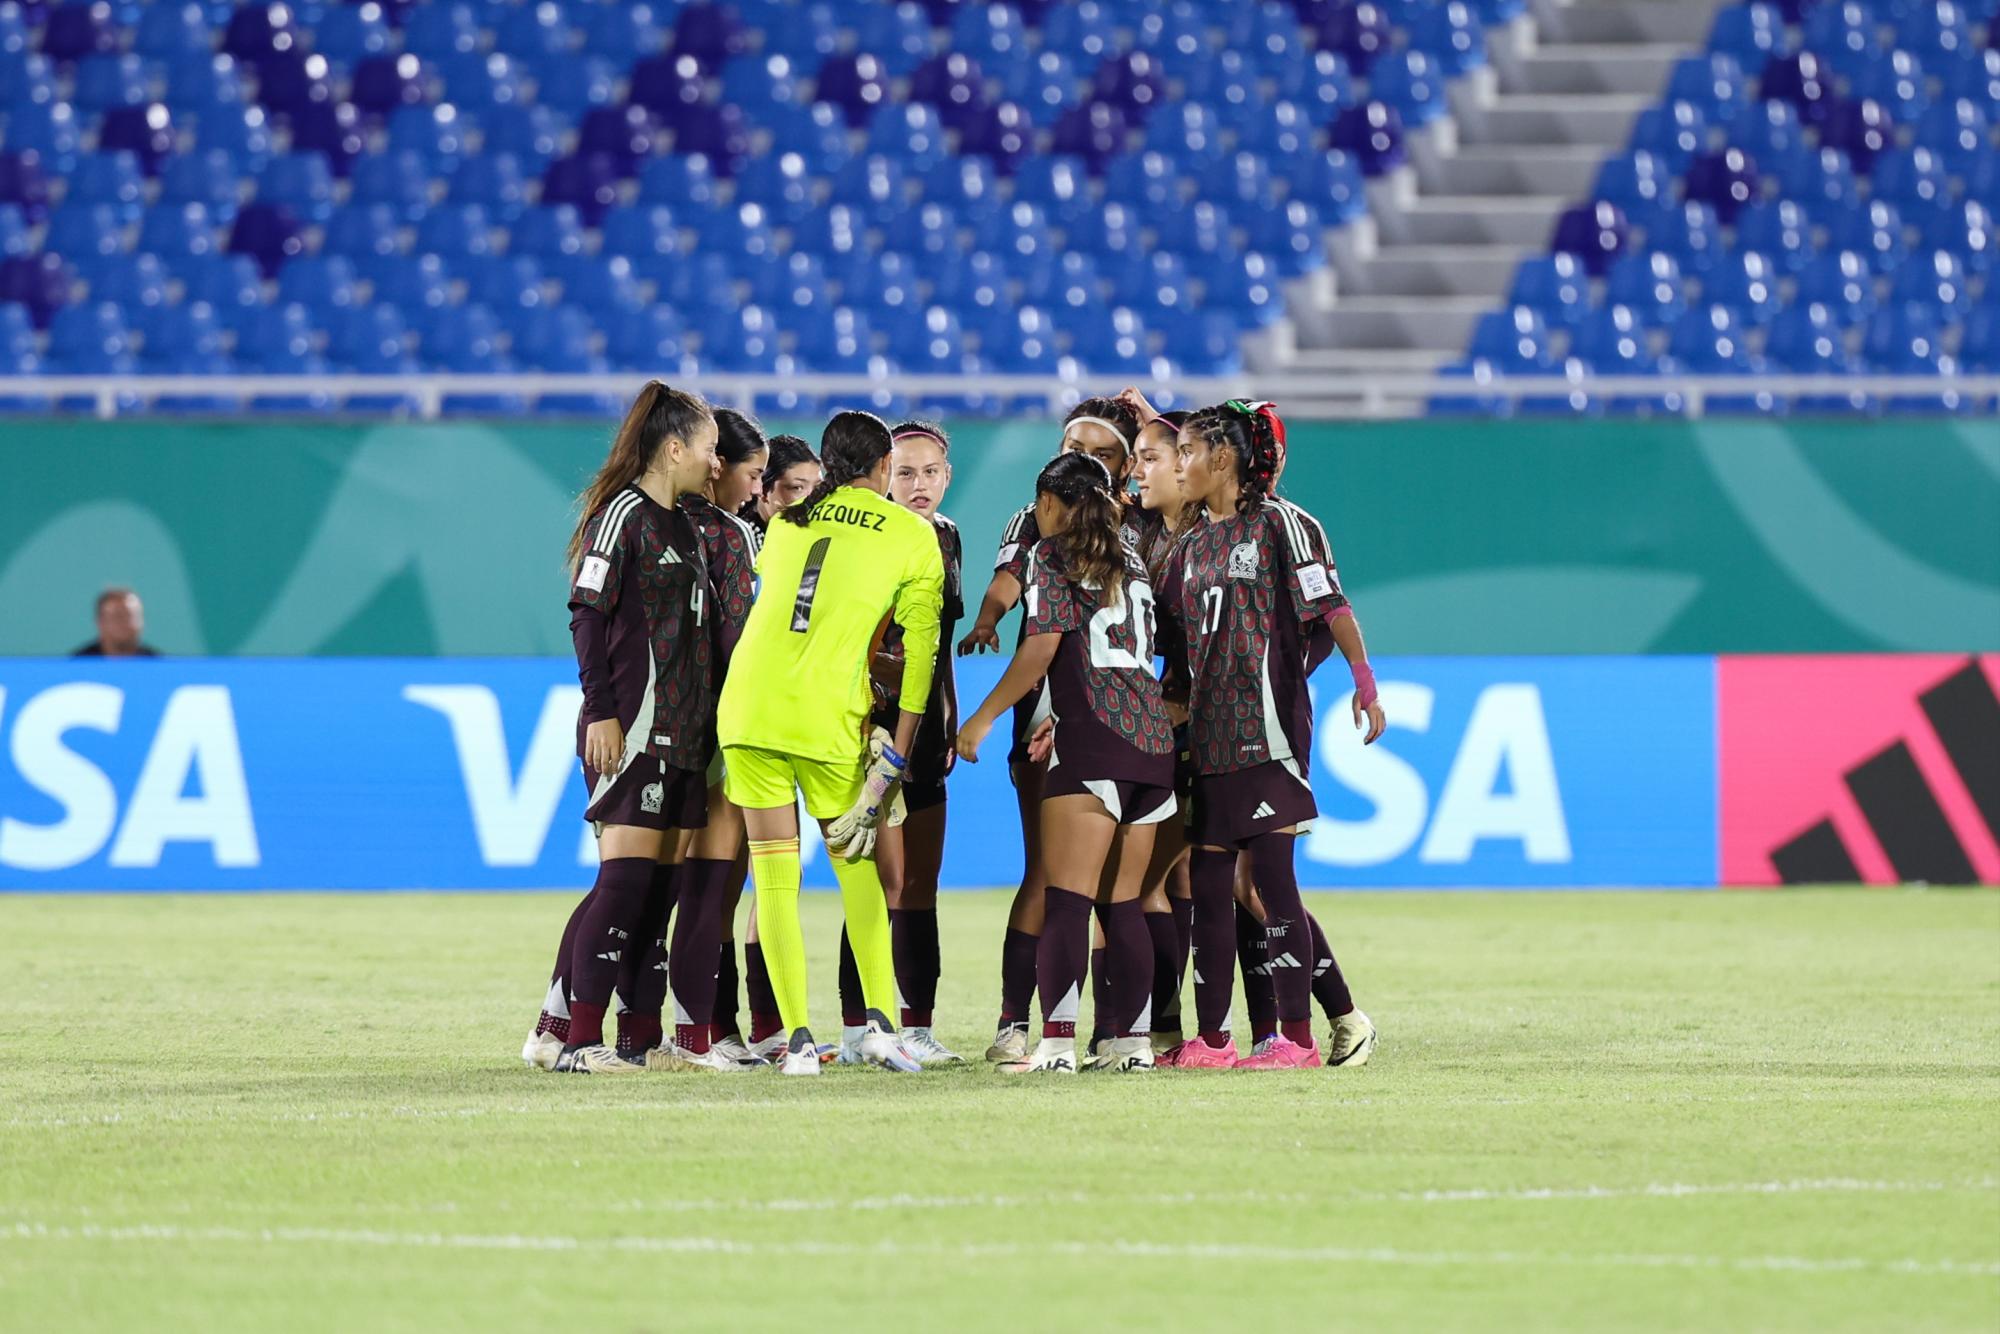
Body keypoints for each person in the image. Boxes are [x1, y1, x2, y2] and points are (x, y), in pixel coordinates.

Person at [716, 410, 947, 1077]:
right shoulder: (912, 533)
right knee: (858, 870)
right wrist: (898, 752)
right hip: (827, 722)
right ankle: (880, 1024)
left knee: (775, 877)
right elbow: (921, 659)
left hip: (749, 712)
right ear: (881, 469)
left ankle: (794, 1043)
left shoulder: (787, 521)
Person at [1158, 400, 1383, 1071]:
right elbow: (1175, 648)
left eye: (1188, 452)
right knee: (1210, 880)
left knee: (1275, 882)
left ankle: (1298, 1039)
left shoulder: (1284, 525)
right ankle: (1216, 1039)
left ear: (1222, 457)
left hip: (1270, 732)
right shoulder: (1188, 550)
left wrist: (1364, 681)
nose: (1179, 465)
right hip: (1212, 736)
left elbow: (1331, 605)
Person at [524, 380, 722, 1075]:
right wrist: (603, 711)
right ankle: (578, 1042)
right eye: (708, 449)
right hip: (634, 730)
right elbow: (586, 614)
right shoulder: (624, 515)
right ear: (673, 450)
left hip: (685, 737)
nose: (716, 463)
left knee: (658, 895)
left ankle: (636, 1041)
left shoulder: (686, 521)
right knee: (624, 885)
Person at [957, 452, 1175, 1074]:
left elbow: (1042, 647)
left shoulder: (1050, 555)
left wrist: (985, 716)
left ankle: (1055, 1046)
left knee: (1067, 899)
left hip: (1094, 744)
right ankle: (1130, 1044)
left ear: (1049, 503)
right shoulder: (1131, 560)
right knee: (1123, 903)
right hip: (1152, 747)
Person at [834, 421, 965, 1064]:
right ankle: (859, 1025)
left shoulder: (946, 538)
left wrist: (950, 713)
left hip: (927, 728)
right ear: (884, 473)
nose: (917, 484)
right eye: (904, 471)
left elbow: (936, 647)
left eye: (929, 472)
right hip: (873, 728)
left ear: (947, 476)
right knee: (874, 879)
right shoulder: (867, 538)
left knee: (921, 884)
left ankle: (916, 1025)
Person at [654, 407, 769, 1070]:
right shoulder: (729, 536)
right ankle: (695, 1037)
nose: (756, 489)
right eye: (753, 475)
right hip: (718, 728)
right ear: (718, 464)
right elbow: (739, 642)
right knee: (710, 884)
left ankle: (586, 1024)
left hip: (654, 720)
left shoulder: (650, 520)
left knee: (638, 886)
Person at [751, 434, 821, 529]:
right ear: (763, 490)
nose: (814, 501)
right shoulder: (737, 539)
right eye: (797, 488)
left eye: (819, 487)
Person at [73, 588, 159, 657]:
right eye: (118, 616)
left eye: (131, 617)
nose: (126, 623)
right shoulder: (76, 664)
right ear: (100, 622)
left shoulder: (158, 665)